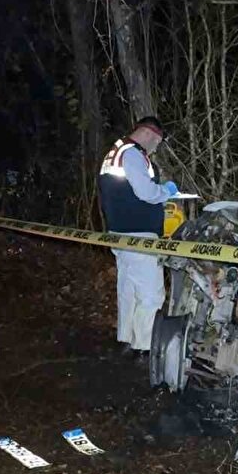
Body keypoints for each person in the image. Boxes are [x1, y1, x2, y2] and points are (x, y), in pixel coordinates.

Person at [97, 116, 178, 357]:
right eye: (157, 143)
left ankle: (126, 339)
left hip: (120, 233)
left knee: (128, 290)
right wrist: (166, 191)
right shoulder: (132, 154)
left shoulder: (115, 152)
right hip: (139, 235)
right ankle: (144, 347)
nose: (155, 149)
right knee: (151, 294)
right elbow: (146, 193)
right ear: (148, 134)